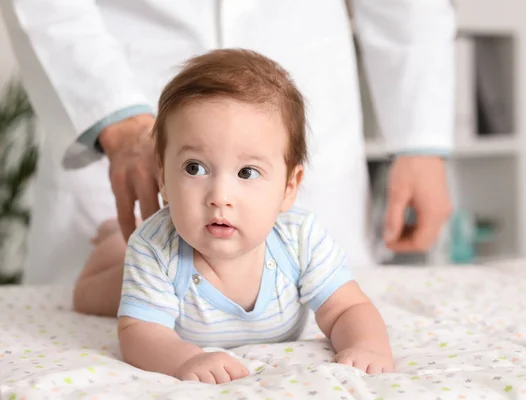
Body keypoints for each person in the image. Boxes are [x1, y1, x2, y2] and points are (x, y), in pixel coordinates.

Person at [0, 1, 455, 286]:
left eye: (244, 175)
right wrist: (116, 120)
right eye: (200, 173)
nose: (222, 197)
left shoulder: (313, 255)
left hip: (306, 72)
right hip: (126, 82)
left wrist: (421, 138)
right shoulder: (141, 264)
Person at [110, 49, 394, 382]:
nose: (220, 197)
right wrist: (184, 360)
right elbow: (139, 333)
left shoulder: (299, 238)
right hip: (150, 272)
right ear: (163, 179)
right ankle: (110, 248)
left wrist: (368, 347)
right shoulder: (155, 247)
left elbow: (347, 308)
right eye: (194, 168)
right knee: (102, 292)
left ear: (290, 187)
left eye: (247, 172)